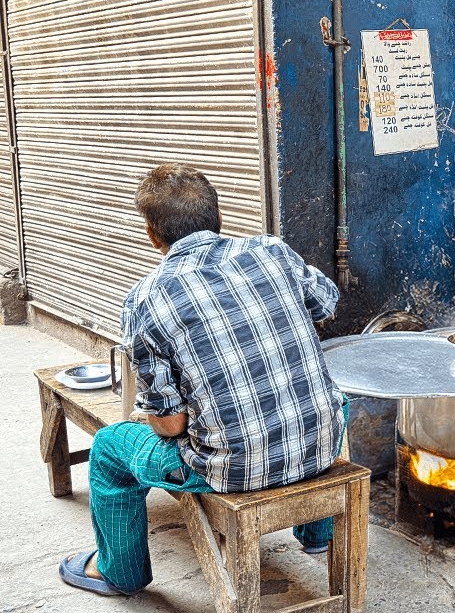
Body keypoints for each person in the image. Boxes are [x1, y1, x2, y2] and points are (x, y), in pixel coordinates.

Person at [58, 164, 346, 597]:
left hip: (232, 469)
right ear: (219, 216)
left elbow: (172, 426)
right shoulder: (272, 250)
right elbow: (326, 303)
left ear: (153, 235)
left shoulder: (146, 299)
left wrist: (151, 416)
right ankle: (317, 535)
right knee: (331, 402)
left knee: (108, 449)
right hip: (320, 443)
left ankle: (120, 572)